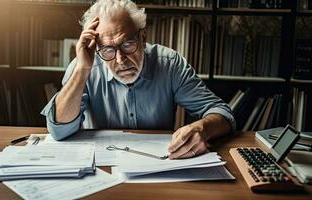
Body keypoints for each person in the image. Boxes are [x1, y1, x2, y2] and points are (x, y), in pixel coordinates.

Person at [41, 0, 235, 159]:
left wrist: (203, 127)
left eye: (127, 44)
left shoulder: (170, 64)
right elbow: (59, 131)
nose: (120, 60)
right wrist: (82, 70)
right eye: (108, 49)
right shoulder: (83, 66)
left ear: (143, 37)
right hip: (102, 166)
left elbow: (223, 114)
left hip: (161, 164)